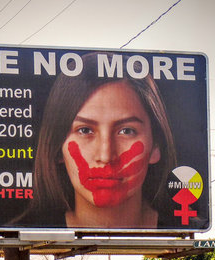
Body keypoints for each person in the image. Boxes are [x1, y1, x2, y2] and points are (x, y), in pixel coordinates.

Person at [17, 52, 177, 229]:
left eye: (126, 131)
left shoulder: (183, 224)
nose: (106, 155)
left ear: (156, 146)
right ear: (57, 147)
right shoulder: (24, 228)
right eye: (85, 130)